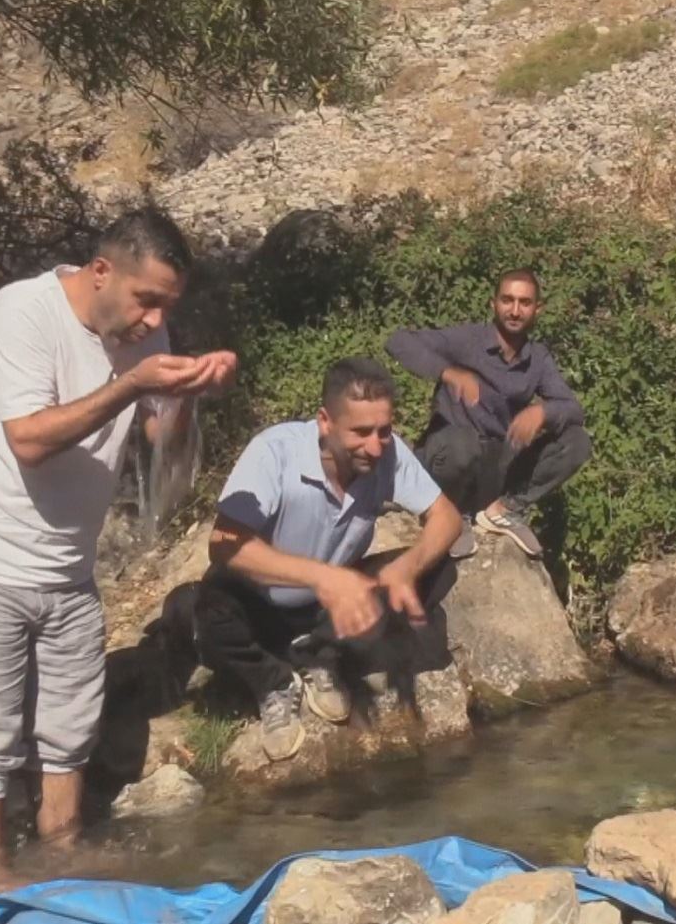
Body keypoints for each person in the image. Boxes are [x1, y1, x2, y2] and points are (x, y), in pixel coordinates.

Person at [0, 208, 236, 891]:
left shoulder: (147, 337)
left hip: (66, 569)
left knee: (67, 732)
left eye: (165, 308)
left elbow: (162, 453)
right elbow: (29, 438)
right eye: (146, 301)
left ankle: (60, 854)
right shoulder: (22, 313)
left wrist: (192, 397)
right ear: (101, 271)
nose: (151, 322)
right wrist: (133, 386)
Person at [194, 357, 461, 763]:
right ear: (325, 422)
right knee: (209, 611)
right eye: (361, 432)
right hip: (262, 601)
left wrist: (407, 568)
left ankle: (319, 655)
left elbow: (446, 516)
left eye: (384, 431)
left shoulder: (387, 453)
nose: (375, 447)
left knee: (438, 568)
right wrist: (322, 578)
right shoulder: (274, 451)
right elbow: (225, 543)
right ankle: (274, 681)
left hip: (331, 609)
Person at [385, 268, 591, 560]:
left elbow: (572, 408)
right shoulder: (467, 340)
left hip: (495, 464)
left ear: (537, 309)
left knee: (577, 441)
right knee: (462, 444)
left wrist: (543, 412)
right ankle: (450, 513)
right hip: (450, 458)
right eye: (507, 300)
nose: (515, 311)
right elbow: (399, 342)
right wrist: (448, 372)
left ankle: (503, 511)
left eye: (525, 303)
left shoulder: (537, 358)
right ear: (493, 304)